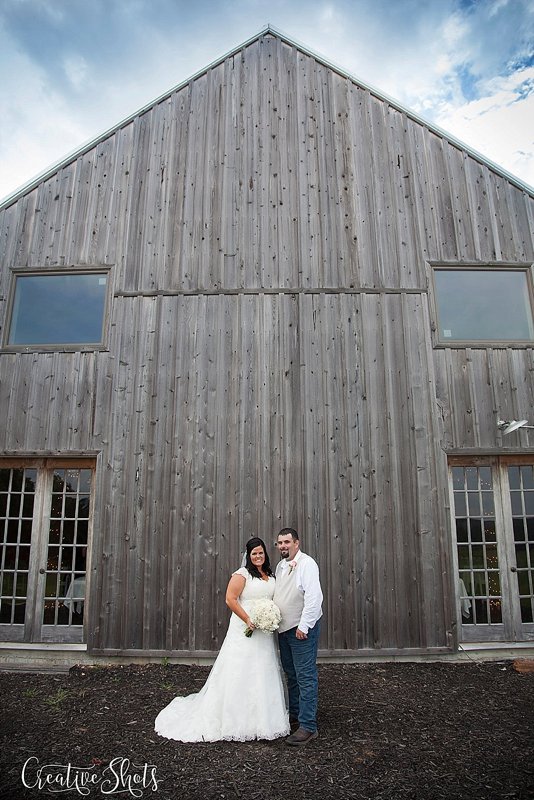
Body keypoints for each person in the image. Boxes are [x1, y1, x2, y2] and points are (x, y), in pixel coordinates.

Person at [154, 537, 290, 742]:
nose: (258, 556)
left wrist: (270, 616)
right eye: (254, 553)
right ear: (248, 555)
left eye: (261, 553)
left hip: (263, 632)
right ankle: (234, 718)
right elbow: (230, 599)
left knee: (263, 668)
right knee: (240, 669)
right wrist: (248, 619)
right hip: (244, 629)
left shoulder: (270, 574)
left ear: (265, 554)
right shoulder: (242, 574)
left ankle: (263, 719)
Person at [273, 527, 323, 746]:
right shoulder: (281, 566)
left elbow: (314, 598)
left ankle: (308, 726)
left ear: (296, 543)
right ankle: (295, 713)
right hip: (284, 629)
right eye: (280, 543)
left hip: (301, 630)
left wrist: (304, 626)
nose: (283, 546)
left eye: (287, 542)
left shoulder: (307, 564)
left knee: (305, 676)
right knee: (291, 674)